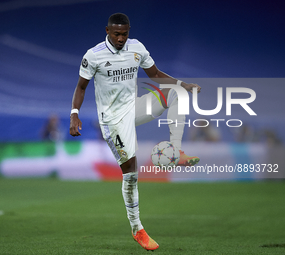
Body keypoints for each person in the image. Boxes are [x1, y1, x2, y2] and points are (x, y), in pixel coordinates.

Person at [69, 13, 201, 251]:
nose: (121, 38)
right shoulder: (94, 55)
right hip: (112, 120)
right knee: (130, 171)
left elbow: (157, 75)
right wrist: (74, 114)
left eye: (125, 34)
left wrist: (184, 85)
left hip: (134, 107)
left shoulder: (137, 48)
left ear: (129, 31)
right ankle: (137, 228)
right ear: (107, 31)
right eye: (117, 34)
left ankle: (176, 149)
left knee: (175, 94)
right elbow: (81, 86)